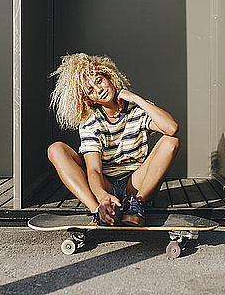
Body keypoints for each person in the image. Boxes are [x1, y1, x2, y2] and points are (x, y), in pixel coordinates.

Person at [47, 53, 179, 226]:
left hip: (136, 185)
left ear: (109, 77)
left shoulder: (136, 109)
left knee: (171, 141)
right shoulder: (90, 122)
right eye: (90, 91)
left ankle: (136, 205)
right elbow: (94, 170)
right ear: (89, 99)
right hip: (106, 185)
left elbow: (172, 128)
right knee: (56, 149)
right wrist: (101, 196)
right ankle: (97, 212)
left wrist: (136, 99)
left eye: (99, 81)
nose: (99, 90)